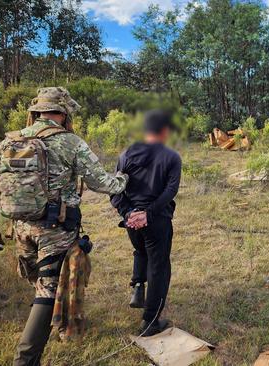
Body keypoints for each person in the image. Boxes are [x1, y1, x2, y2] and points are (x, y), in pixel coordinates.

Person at [0, 87, 128, 366]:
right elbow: (100, 182)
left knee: (39, 285)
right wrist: (123, 181)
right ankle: (26, 359)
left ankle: (59, 323)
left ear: (37, 112)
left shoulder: (8, 142)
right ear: (64, 113)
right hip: (55, 230)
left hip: (20, 229)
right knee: (47, 290)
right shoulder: (70, 142)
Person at [110, 110, 182, 337]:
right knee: (159, 267)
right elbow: (170, 191)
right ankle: (151, 322)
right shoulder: (171, 157)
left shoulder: (126, 155)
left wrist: (128, 212)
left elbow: (115, 190)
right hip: (157, 220)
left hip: (132, 222)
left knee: (140, 251)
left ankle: (138, 288)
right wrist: (147, 214)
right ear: (164, 131)